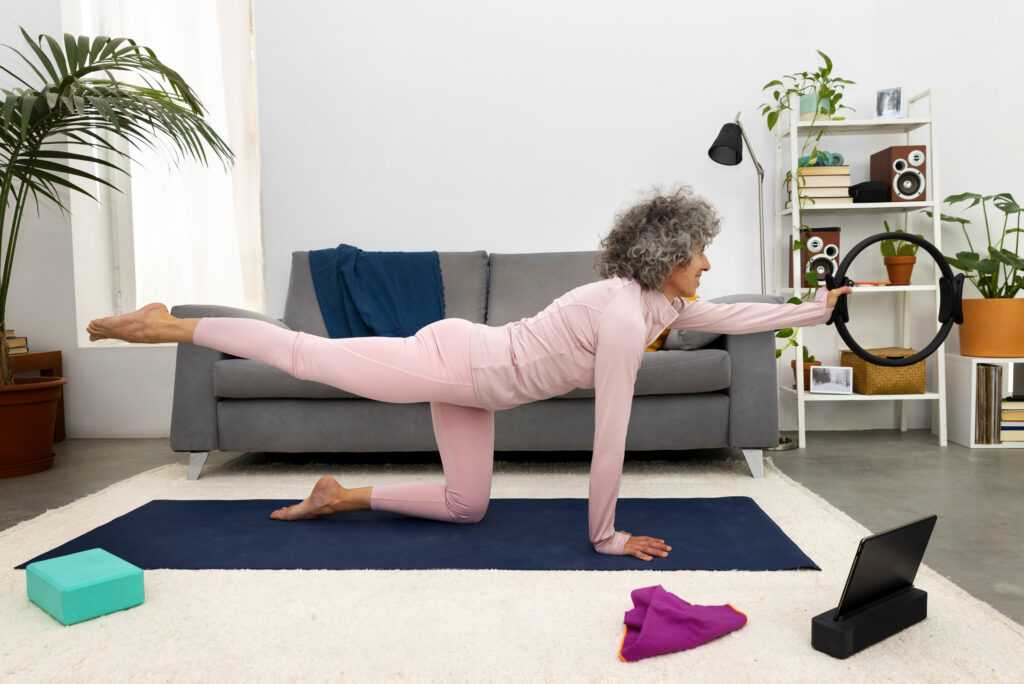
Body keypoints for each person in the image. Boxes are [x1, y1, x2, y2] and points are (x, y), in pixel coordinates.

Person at [87, 186, 851, 562]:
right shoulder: (626, 315)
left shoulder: (660, 303)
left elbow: (733, 315)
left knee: (465, 505)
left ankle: (339, 496)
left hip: (478, 389)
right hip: (454, 363)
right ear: (667, 256)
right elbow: (610, 432)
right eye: (699, 253)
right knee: (310, 356)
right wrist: (607, 536)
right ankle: (168, 323)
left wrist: (816, 310)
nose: (708, 265)